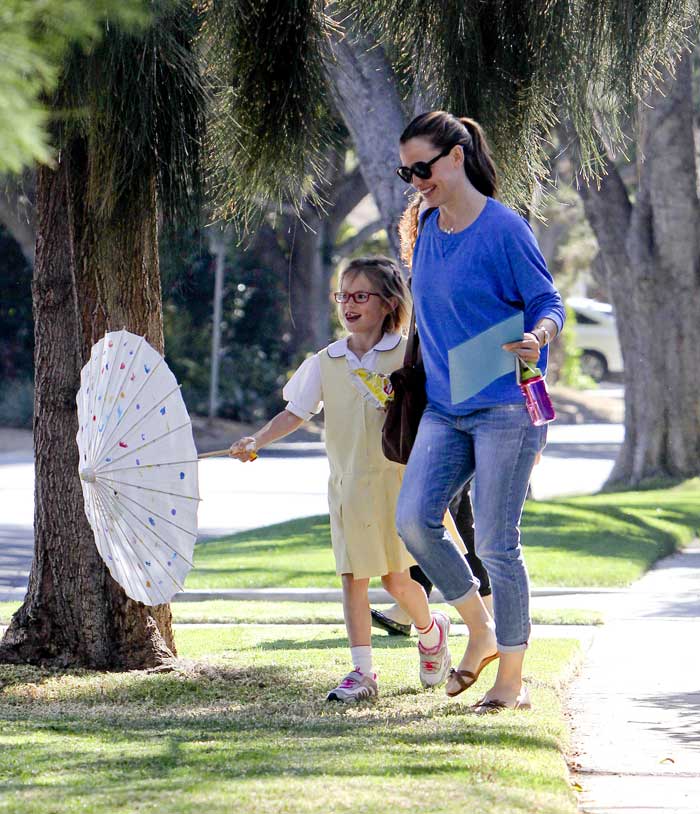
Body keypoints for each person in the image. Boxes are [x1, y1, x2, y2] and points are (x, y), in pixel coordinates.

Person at [394, 111, 565, 712]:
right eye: (406, 171)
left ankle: (511, 682)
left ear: (457, 156)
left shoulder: (504, 228)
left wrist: (538, 337)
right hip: (445, 407)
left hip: (506, 408)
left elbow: (548, 300)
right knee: (414, 520)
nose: (416, 181)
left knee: (496, 542)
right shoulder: (425, 225)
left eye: (424, 168)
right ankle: (480, 628)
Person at [229, 256, 454, 703]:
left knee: (394, 580)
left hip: (398, 482)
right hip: (348, 488)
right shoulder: (326, 360)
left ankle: (431, 632)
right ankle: (362, 673)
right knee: (353, 577)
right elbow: (295, 412)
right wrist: (257, 438)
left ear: (388, 302)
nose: (348, 304)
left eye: (360, 296)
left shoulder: (408, 351)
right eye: (343, 296)